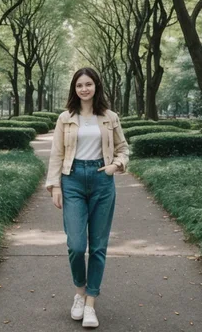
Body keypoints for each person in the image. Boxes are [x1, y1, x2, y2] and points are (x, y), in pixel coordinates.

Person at [45, 67, 129, 328]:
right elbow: (56, 153)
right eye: (79, 85)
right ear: (74, 88)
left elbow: (123, 148)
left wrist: (117, 165)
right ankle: (79, 292)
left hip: (102, 179)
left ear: (96, 87)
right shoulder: (65, 118)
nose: (84, 89)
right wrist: (55, 186)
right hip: (72, 180)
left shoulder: (109, 117)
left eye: (88, 84)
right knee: (77, 245)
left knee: (99, 246)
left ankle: (90, 303)